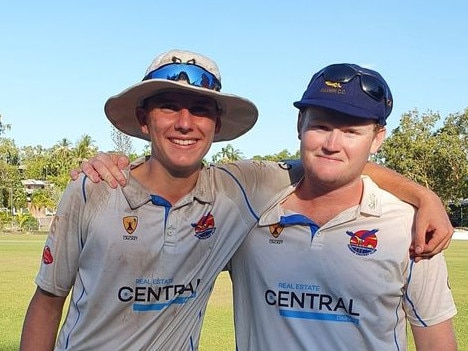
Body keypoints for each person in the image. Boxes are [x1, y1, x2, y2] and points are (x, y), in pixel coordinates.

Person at [27, 49, 451, 350]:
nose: (184, 123)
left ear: (217, 123)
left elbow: (333, 160)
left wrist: (423, 195)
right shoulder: (94, 188)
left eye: (200, 109)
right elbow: (47, 302)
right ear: (143, 118)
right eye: (169, 106)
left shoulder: (237, 190)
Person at [228, 63, 457, 350]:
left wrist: (425, 198)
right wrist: (425, 194)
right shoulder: (248, 208)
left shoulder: (410, 227)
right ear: (300, 124)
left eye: (351, 131)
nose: (332, 144)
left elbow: (436, 341)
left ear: (377, 139)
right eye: (322, 126)